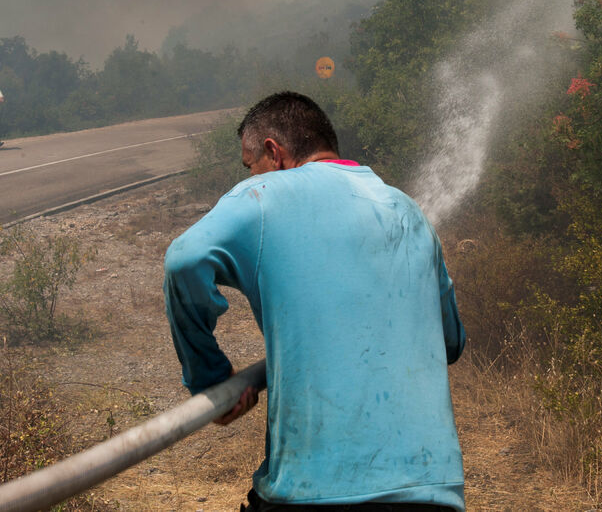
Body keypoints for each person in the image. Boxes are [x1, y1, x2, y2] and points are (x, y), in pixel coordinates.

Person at [163, 92, 466, 512]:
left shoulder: (265, 196)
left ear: (275, 153)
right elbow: (450, 344)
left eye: (250, 165)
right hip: (432, 493)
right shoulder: (409, 210)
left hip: (311, 493)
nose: (252, 176)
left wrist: (210, 379)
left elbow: (185, 259)